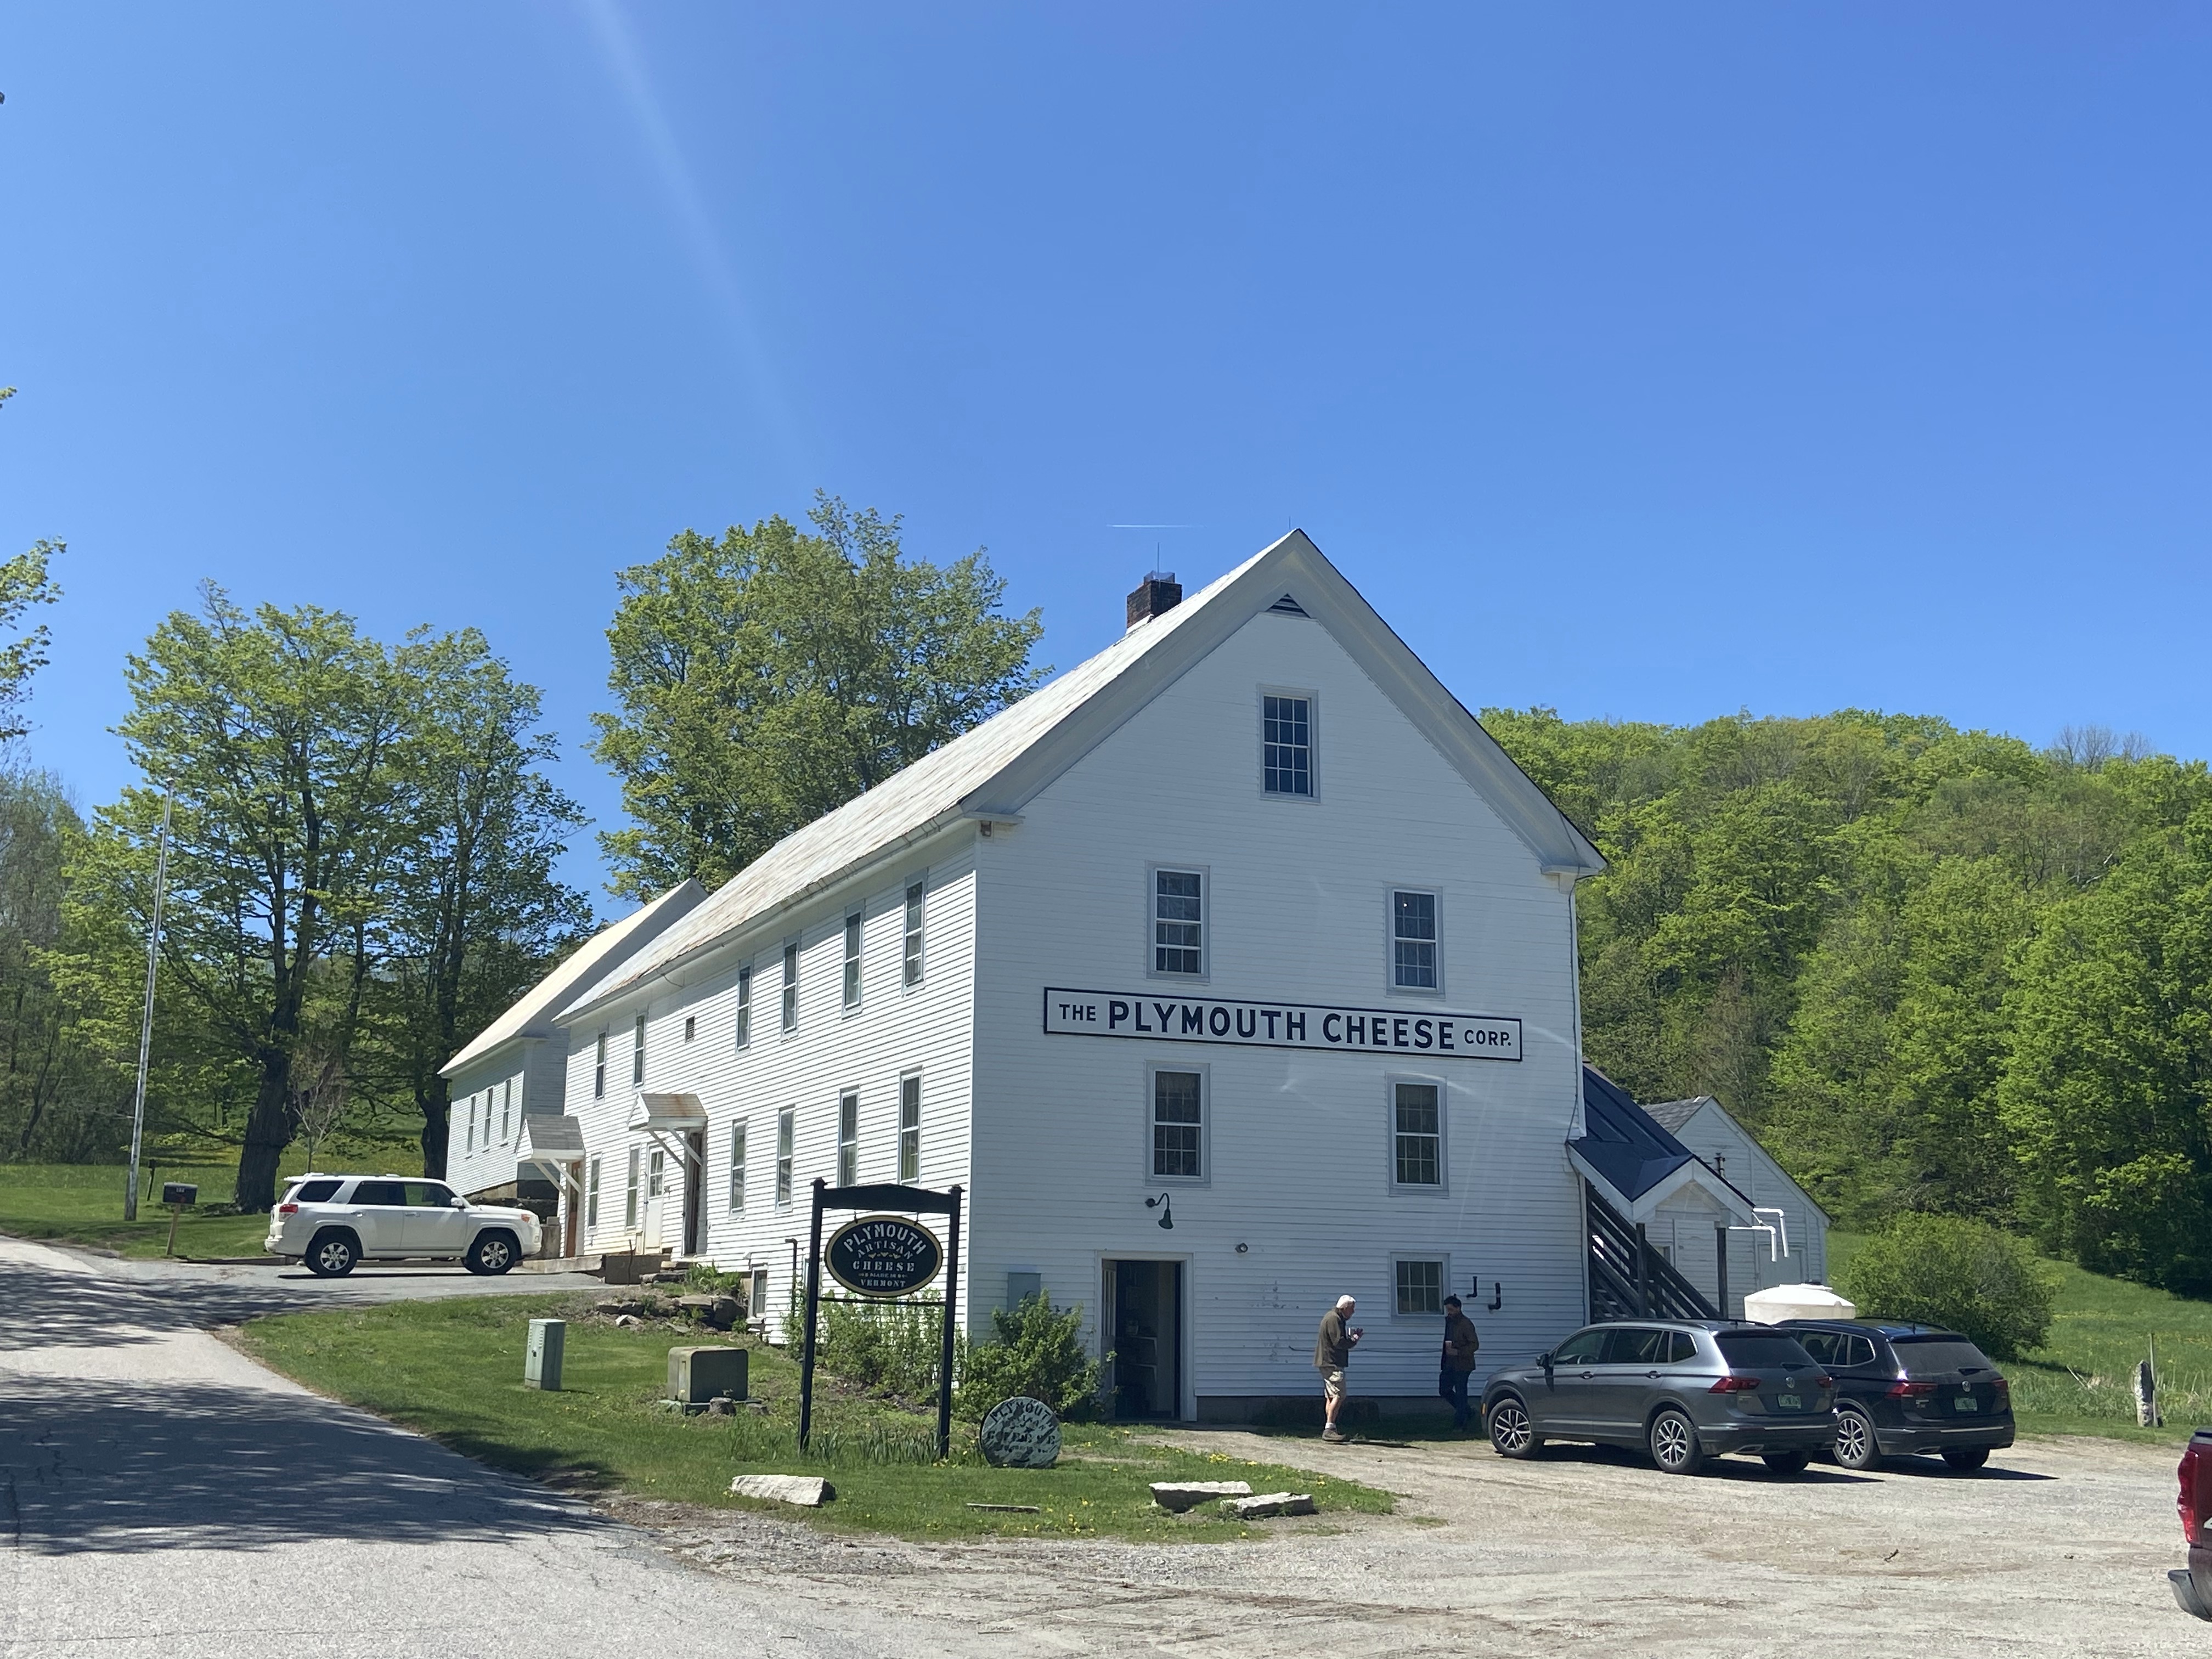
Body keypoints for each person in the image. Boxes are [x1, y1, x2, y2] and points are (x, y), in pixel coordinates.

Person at [1314, 1294, 1362, 1442]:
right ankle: (1329, 1429)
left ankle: (1331, 1428)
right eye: (1352, 1308)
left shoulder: (1332, 1317)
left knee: (1331, 1396)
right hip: (1332, 1363)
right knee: (1340, 1395)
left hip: (1325, 1362)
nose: (1353, 1312)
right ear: (1345, 1307)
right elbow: (1339, 1342)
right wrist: (1353, 1340)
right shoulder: (1334, 1319)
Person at [1439, 1294, 1480, 1430]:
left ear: (1458, 1308)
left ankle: (1460, 1422)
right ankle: (1467, 1411)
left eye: (1451, 1309)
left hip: (1463, 1365)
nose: (1449, 1312)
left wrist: (1458, 1352)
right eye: (1447, 1310)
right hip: (1449, 1363)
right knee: (1444, 1390)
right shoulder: (1450, 1322)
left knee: (1461, 1393)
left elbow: (1474, 1345)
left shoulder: (1466, 1324)